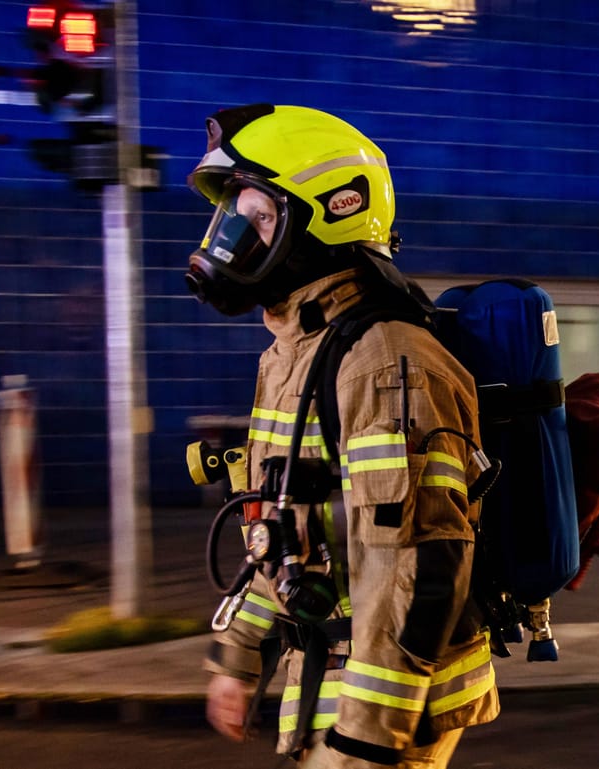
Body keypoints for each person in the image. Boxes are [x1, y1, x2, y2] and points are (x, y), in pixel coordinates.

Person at [185, 103, 499, 768]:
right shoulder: (291, 354)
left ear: (328, 214)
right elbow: (283, 529)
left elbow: (418, 557)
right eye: (232, 216)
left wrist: (370, 730)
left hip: (391, 695)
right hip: (330, 675)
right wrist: (240, 658)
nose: (232, 237)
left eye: (257, 217)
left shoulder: (386, 358)